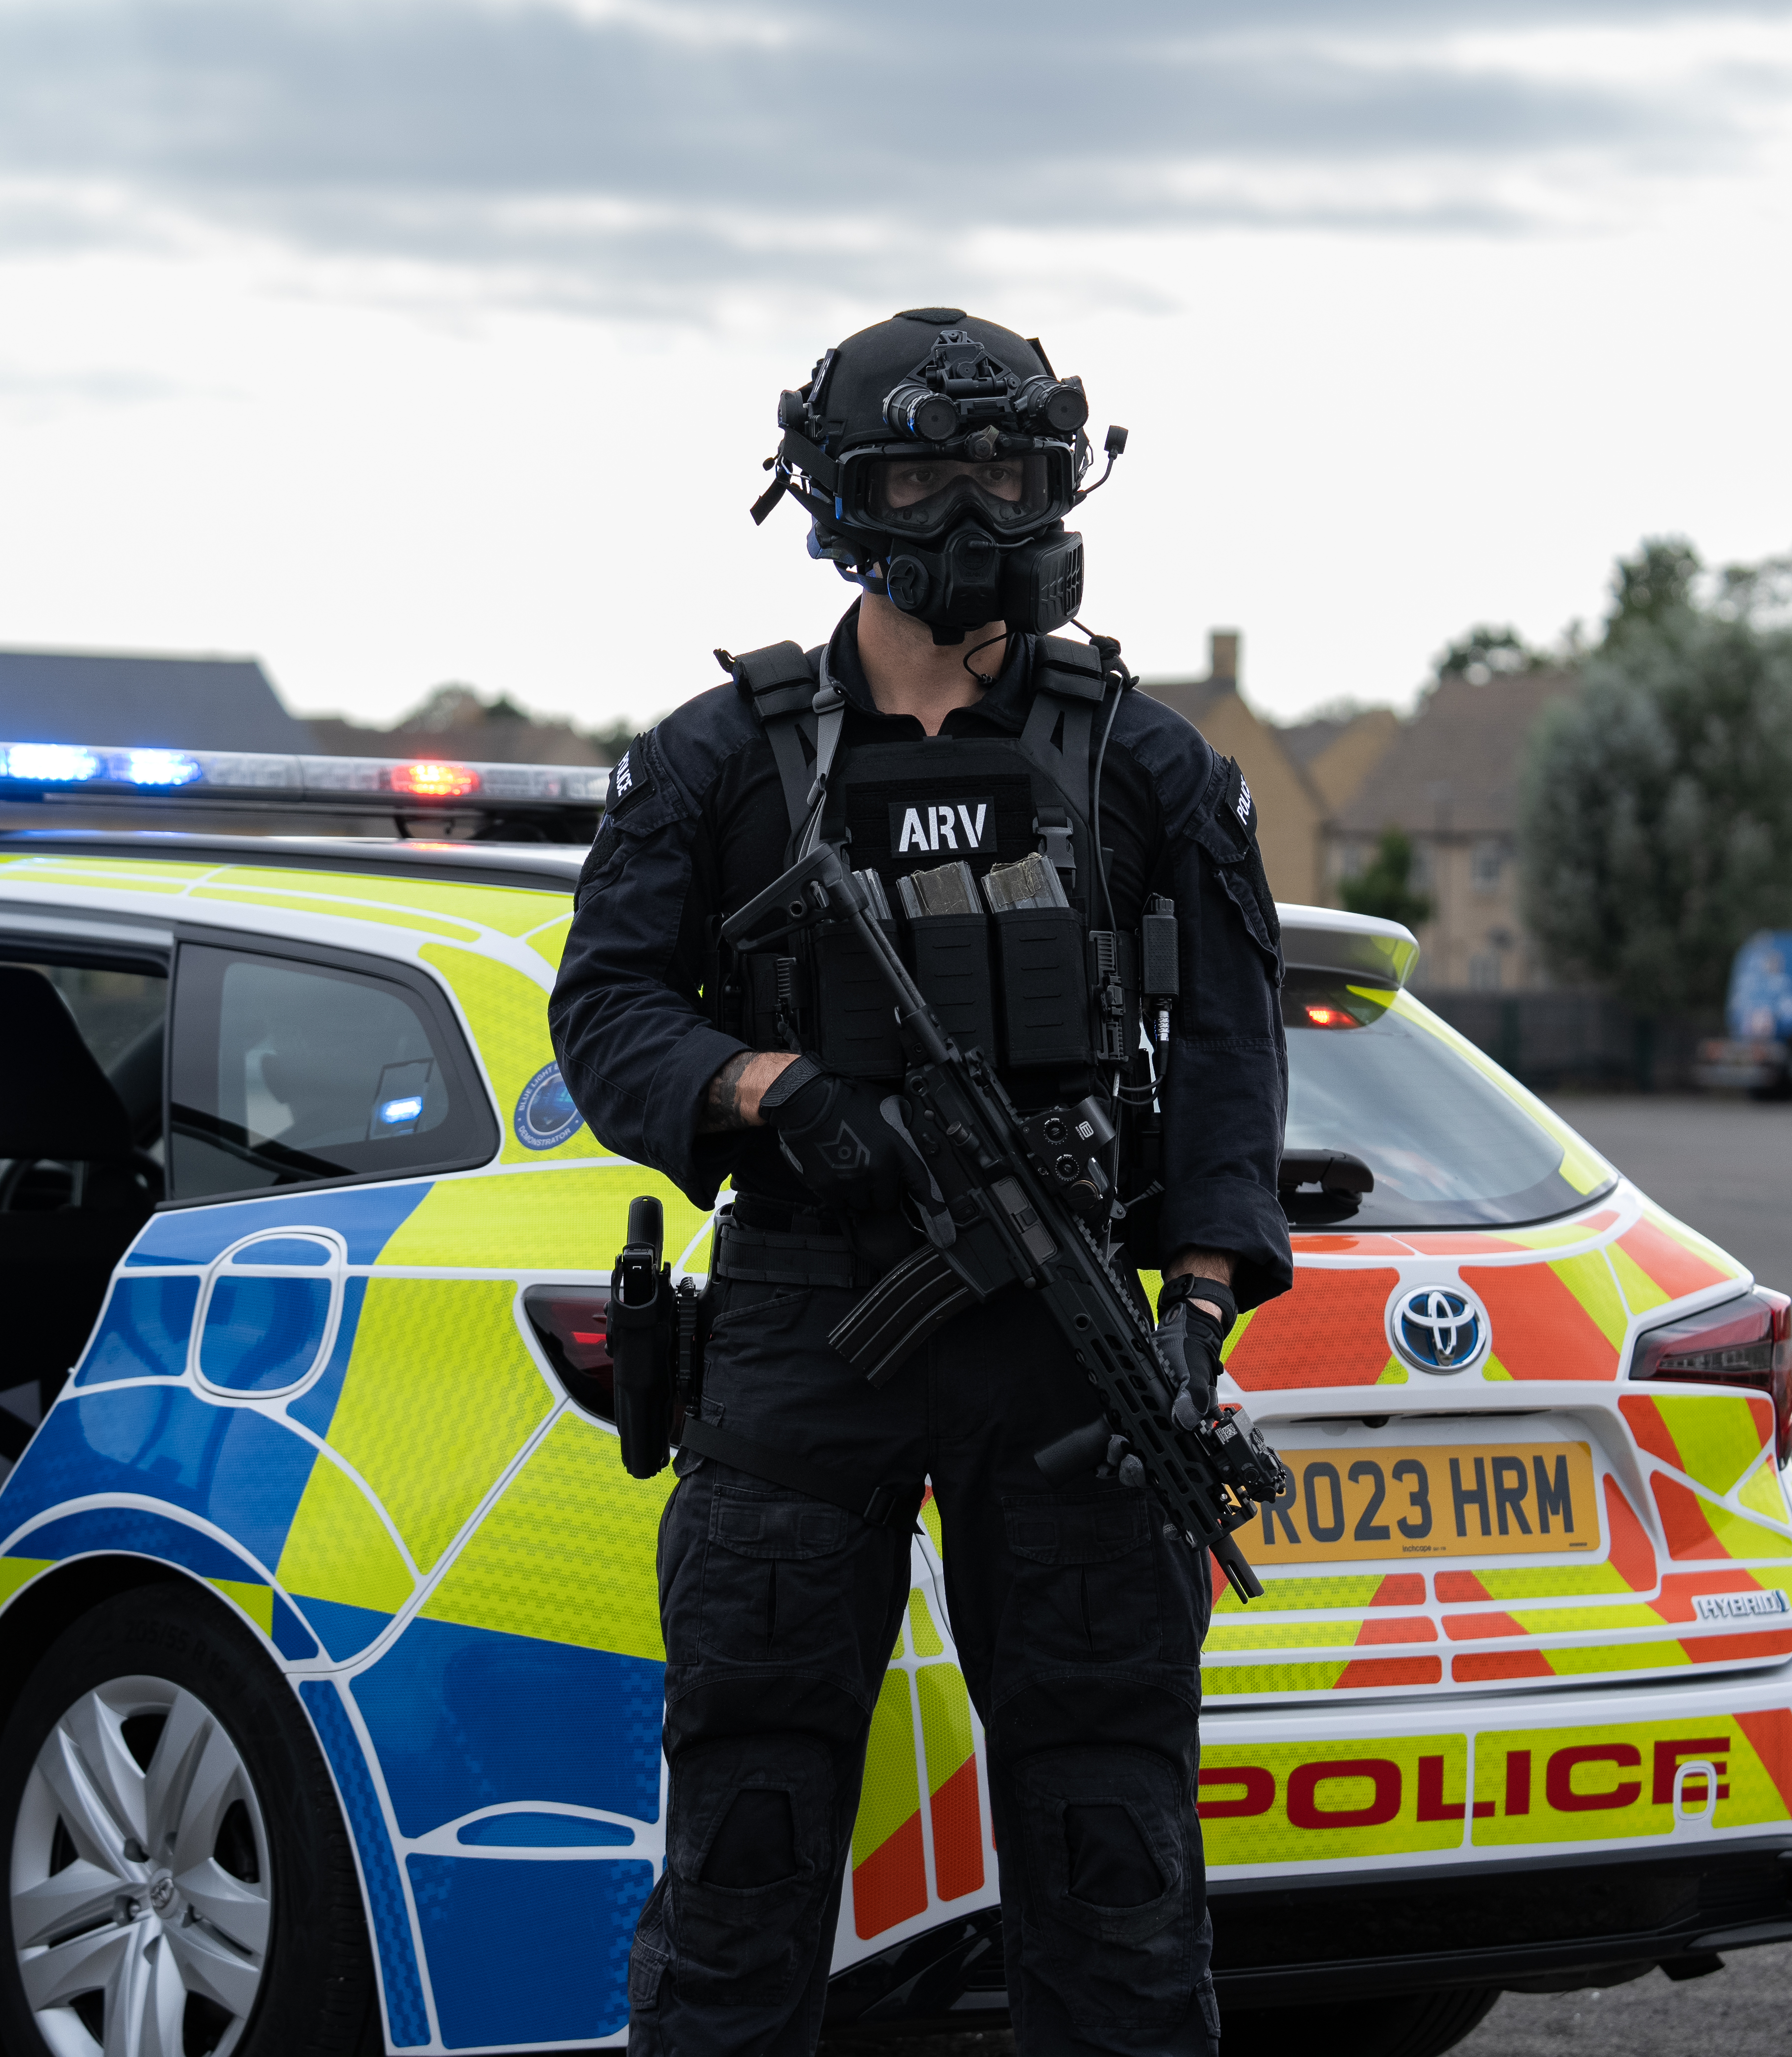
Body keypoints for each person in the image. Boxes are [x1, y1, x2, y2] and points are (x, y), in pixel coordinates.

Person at [550, 307, 1291, 2057]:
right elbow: (606, 1013)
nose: (975, 516)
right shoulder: (720, 758)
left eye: (1008, 476)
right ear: (838, 496)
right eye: (929, 477)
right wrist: (762, 1086)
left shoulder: (1150, 766)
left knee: (1112, 1834)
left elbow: (1235, 1072)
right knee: (749, 1831)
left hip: (1068, 1343)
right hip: (814, 1330)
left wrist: (1194, 1317)